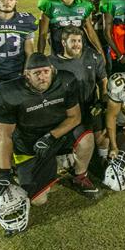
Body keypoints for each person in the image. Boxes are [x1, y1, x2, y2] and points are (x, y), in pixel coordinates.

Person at [0, 53, 97, 204]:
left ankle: (80, 176)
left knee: (86, 136)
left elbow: (75, 117)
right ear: (26, 75)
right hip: (29, 145)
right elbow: (4, 135)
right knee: (38, 201)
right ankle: (45, 164)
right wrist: (4, 172)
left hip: (57, 135)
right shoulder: (9, 93)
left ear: (52, 70)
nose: (42, 77)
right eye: (37, 73)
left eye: (46, 72)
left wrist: (50, 136)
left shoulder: (65, 81)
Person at [49, 26, 110, 171]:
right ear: (64, 43)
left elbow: (103, 81)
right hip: (66, 112)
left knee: (103, 136)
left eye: (79, 41)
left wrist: (102, 102)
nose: (77, 44)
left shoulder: (93, 56)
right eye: (73, 41)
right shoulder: (52, 63)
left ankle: (102, 160)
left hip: (90, 106)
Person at [37, 0, 103, 56]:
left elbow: (91, 32)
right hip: (59, 53)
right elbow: (43, 34)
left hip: (79, 52)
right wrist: (40, 56)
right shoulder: (50, 5)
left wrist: (100, 51)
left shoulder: (85, 5)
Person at [81, 0, 108, 67]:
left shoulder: (106, 1)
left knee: (106, 67)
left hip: (104, 42)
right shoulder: (79, 3)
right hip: (86, 44)